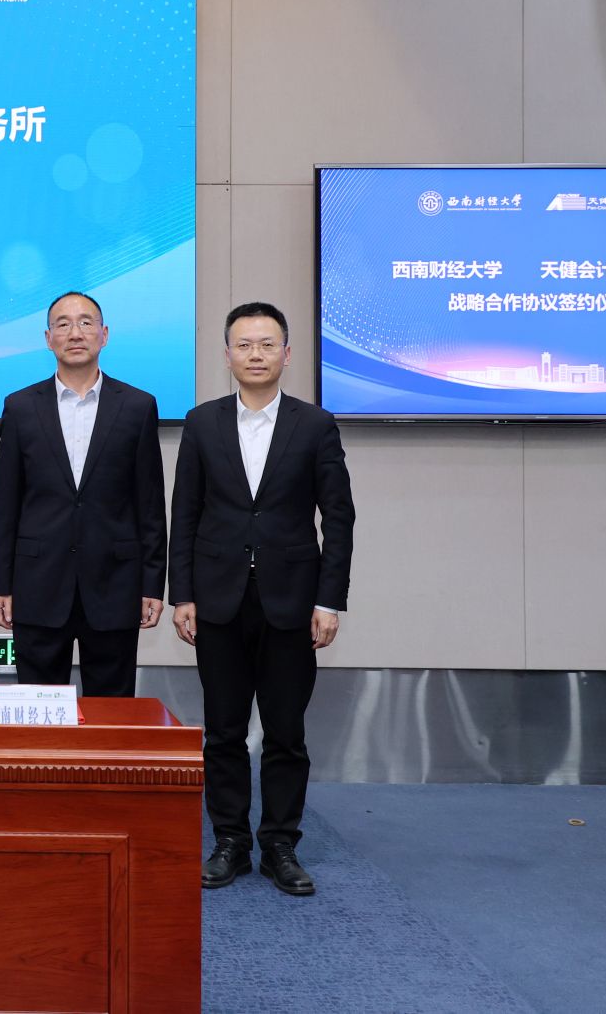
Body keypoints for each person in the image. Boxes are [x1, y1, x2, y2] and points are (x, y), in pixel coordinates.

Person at [170, 301, 355, 897]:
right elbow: (185, 514)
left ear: (287, 354)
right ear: (227, 355)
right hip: (217, 599)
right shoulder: (202, 423)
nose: (256, 354)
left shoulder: (315, 425)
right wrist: (182, 594)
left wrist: (329, 600)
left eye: (267, 344)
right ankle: (229, 840)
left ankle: (280, 844)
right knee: (222, 731)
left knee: (285, 731)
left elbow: (339, 519)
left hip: (292, 602)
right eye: (244, 344)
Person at [0, 291, 165, 697]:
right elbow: (5, 506)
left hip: (115, 584)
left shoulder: (137, 406)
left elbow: (150, 506)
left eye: (86, 322)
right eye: (63, 324)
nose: (75, 333)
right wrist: (1, 584)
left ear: (104, 334)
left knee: (113, 711)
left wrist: (152, 585)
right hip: (37, 584)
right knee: (39, 710)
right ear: (48, 338)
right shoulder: (20, 406)